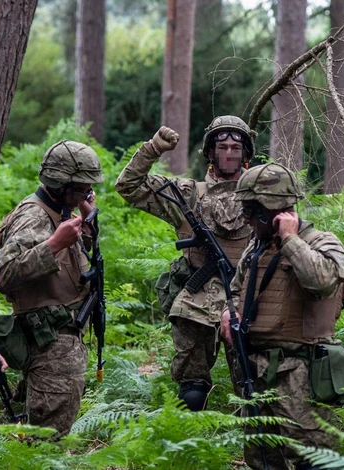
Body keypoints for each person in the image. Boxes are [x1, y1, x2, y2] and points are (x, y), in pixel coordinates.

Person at [220, 162, 344, 470]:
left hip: (301, 372)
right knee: (262, 457)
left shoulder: (322, 242)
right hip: (257, 369)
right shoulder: (256, 248)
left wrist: (291, 240)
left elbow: (322, 282)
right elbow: (237, 289)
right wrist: (228, 312)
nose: (246, 219)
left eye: (251, 212)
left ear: (272, 211)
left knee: (313, 459)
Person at [115, 116, 254, 410]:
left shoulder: (262, 193)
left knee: (254, 386)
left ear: (246, 154)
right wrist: (152, 148)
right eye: (222, 147)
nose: (228, 153)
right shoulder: (187, 193)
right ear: (210, 153)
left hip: (250, 296)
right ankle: (192, 447)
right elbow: (128, 186)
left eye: (235, 147)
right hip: (197, 300)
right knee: (192, 391)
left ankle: (254, 447)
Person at [0, 140, 103, 437]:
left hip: (63, 339)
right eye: (81, 188)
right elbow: (5, 274)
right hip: (49, 342)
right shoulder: (35, 217)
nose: (86, 194)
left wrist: (86, 220)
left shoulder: (60, 212)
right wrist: (54, 244)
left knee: (46, 437)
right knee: (45, 440)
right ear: (60, 184)